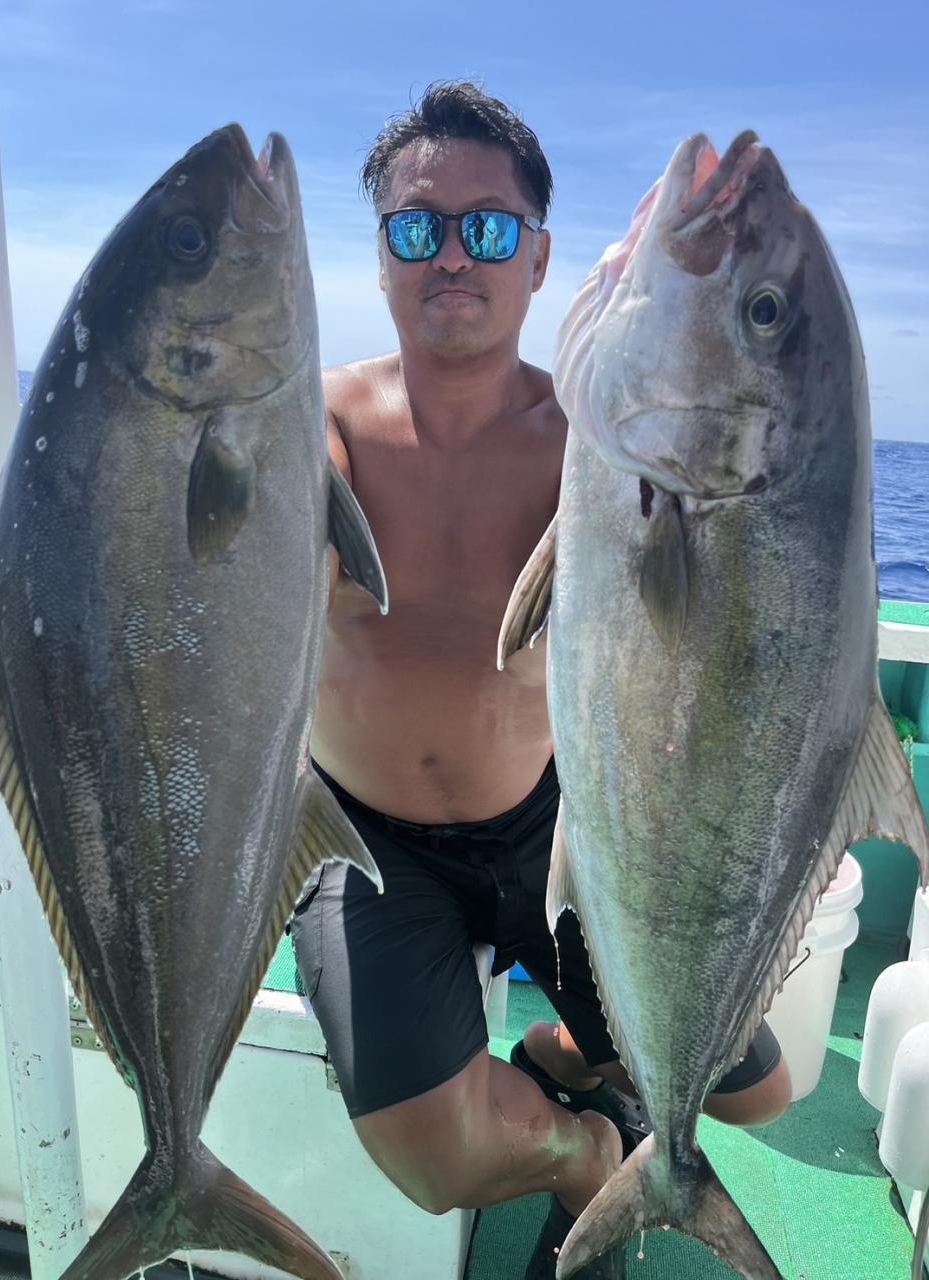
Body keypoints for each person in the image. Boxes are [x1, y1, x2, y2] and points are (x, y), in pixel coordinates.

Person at [290, 80, 792, 1279]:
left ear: (541, 257)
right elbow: (266, 537)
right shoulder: (315, 425)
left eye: (489, 225)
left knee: (760, 1089)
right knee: (431, 1157)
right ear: (381, 254)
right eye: (419, 226)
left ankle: (566, 1053)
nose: (453, 253)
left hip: (557, 826)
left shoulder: (602, 442)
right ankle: (586, 1152)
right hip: (365, 839)